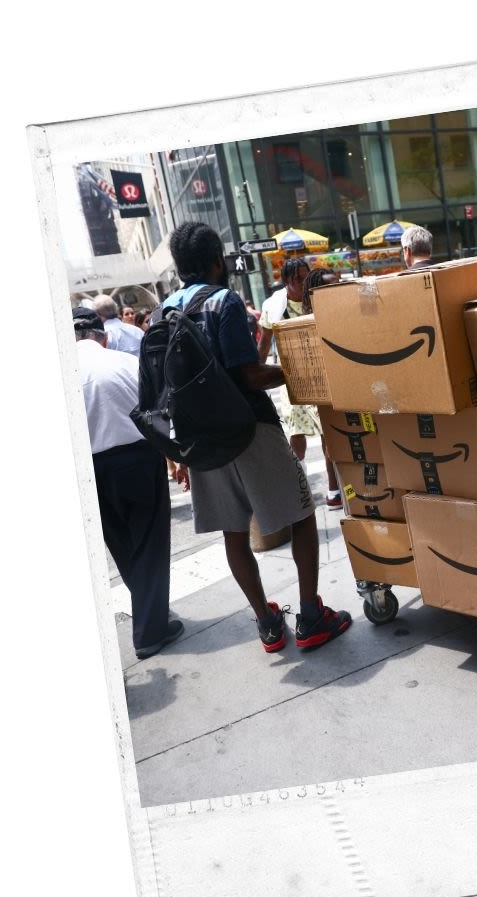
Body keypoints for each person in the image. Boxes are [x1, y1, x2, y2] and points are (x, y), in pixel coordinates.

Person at [159, 221, 351, 653]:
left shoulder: (162, 312)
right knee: (302, 513)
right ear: (216, 261)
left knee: (234, 532)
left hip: (201, 443)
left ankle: (267, 624)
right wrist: (295, 371)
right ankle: (310, 616)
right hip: (249, 429)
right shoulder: (223, 301)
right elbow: (248, 375)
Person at [74, 305, 184, 659]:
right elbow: (159, 411)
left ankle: (150, 612)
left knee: (122, 544)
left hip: (89, 468)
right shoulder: (122, 362)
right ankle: (150, 630)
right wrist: (177, 455)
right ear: (103, 337)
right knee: (149, 542)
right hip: (137, 458)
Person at [254, 257, 341, 509]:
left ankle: (334, 489)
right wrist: (255, 376)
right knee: (296, 434)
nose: (303, 282)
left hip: (320, 376)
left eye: (306, 276)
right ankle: (300, 490)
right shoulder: (274, 306)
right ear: (286, 281)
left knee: (327, 433)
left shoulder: (316, 297)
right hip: (290, 378)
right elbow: (264, 343)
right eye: (298, 279)